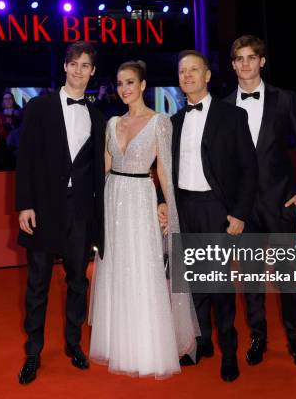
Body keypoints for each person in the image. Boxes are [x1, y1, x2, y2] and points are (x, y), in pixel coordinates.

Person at [88, 60, 199, 379]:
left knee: (141, 267)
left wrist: (167, 204)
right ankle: (116, 341)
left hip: (140, 199)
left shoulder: (160, 121)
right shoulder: (112, 123)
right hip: (113, 198)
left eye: (130, 83)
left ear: (143, 85)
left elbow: (164, 169)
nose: (124, 89)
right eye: (120, 83)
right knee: (114, 268)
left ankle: (145, 346)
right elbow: (105, 167)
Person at [159, 50, 259, 382]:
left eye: (194, 70)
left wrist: (238, 213)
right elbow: (164, 171)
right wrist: (164, 203)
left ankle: (229, 352)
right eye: (182, 71)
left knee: (217, 285)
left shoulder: (232, 116)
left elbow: (248, 170)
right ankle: (200, 343)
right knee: (192, 284)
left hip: (217, 210)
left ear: (208, 75)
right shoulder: (172, 122)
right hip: (183, 209)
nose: (187, 76)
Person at [223, 35, 296, 370]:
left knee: (288, 279)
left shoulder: (284, 100)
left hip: (281, 206)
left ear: (262, 61)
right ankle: (258, 337)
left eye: (252, 57)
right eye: (239, 58)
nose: (245, 63)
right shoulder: (224, 105)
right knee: (251, 280)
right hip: (243, 211)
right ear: (232, 64)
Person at [16, 42, 106, 385]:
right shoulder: (39, 107)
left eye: (86, 65)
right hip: (43, 208)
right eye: (74, 64)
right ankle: (33, 351)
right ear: (65, 67)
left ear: (93, 71)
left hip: (81, 211)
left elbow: (99, 171)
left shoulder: (98, 117)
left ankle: (73, 344)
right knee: (37, 283)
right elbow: (25, 160)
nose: (79, 70)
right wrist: (25, 203)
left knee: (78, 282)